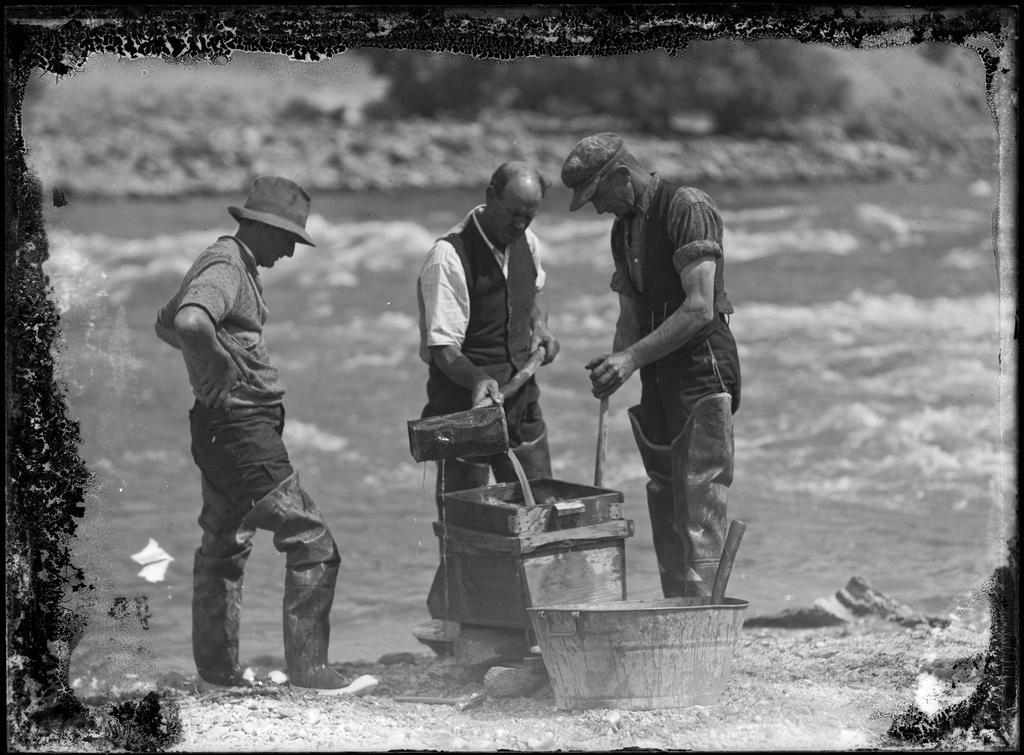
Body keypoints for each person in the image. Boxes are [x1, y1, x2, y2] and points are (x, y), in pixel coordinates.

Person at [155, 175, 349, 693]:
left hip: (220, 428)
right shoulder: (225, 267)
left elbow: (164, 322)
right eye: (288, 238)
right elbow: (191, 321)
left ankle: (217, 674)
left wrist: (210, 362)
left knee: (224, 544)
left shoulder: (223, 262)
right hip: (241, 431)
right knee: (312, 541)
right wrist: (215, 358)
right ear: (261, 227)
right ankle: (311, 673)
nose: (290, 250)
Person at [561, 133, 742, 599]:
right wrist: (614, 364)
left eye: (597, 196)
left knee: (699, 488)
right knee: (663, 489)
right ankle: (676, 605)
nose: (598, 209)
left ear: (621, 176)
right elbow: (630, 317)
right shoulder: (622, 230)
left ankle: (705, 616)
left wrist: (630, 358)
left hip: (702, 364)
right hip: (657, 371)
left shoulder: (686, 206)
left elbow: (699, 306)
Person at [416, 162, 560, 619]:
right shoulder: (448, 257)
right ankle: (459, 621)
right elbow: (442, 349)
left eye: (529, 216)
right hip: (462, 409)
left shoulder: (527, 242)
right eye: (514, 213)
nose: (520, 225)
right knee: (467, 524)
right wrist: (479, 380)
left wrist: (541, 330)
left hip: (520, 400)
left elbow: (532, 296)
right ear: (490, 196)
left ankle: (532, 620)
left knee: (536, 507)